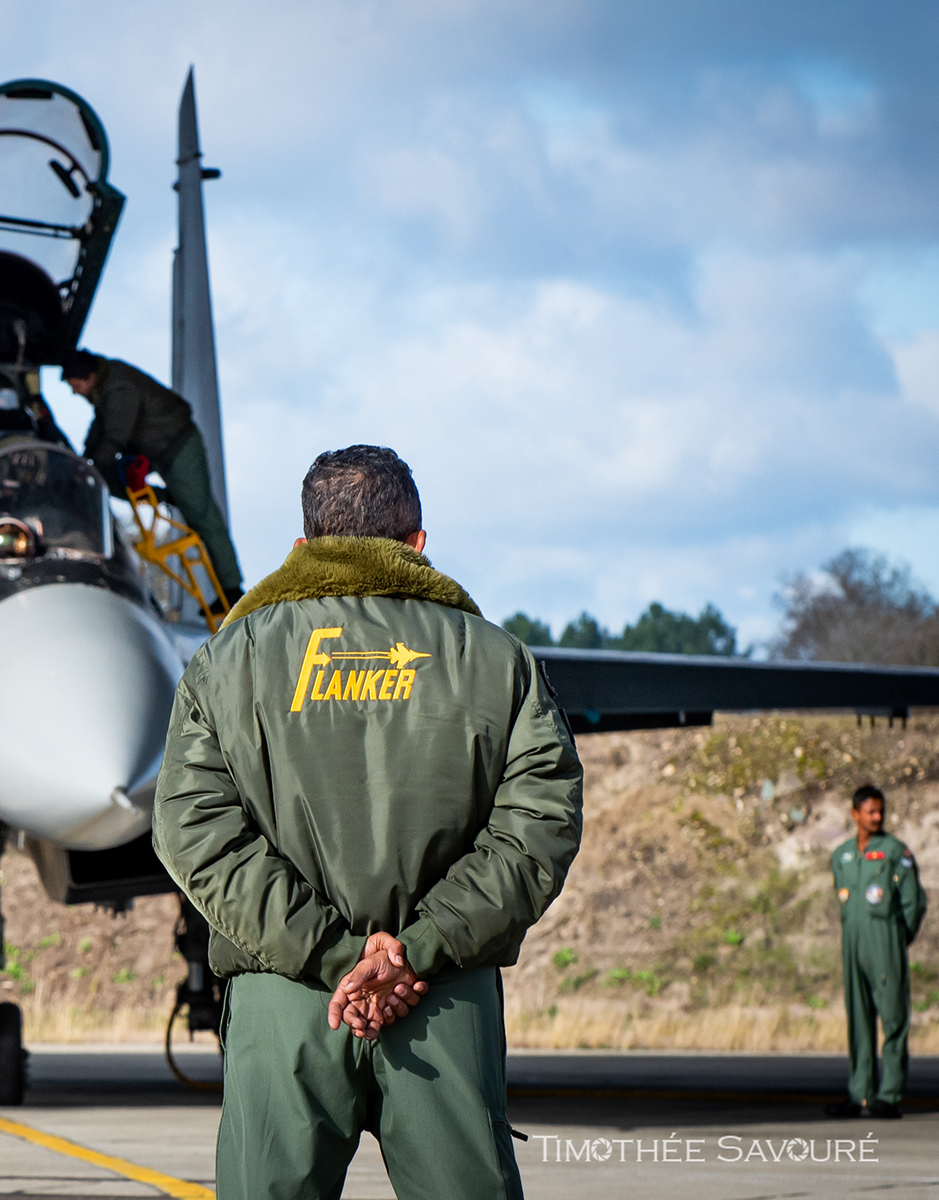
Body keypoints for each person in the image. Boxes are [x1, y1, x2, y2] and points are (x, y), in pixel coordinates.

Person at [151, 444, 584, 1200]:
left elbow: (192, 829)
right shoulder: (499, 661)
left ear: (302, 549)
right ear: (417, 545)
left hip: (286, 999)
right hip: (440, 998)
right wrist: (416, 950)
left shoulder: (225, 663)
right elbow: (539, 825)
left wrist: (328, 957)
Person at [60, 349, 245, 608]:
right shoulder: (103, 388)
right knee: (108, 478)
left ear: (88, 377)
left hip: (178, 446)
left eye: (75, 385)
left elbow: (115, 435)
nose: (74, 391)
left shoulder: (119, 386)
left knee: (201, 513)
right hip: (150, 451)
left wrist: (91, 467)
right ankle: (166, 497)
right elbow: (100, 428)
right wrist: (84, 463)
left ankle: (231, 589)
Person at [825, 784, 925, 1121]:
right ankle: (860, 1093)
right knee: (858, 1019)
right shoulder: (841, 856)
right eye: (870, 811)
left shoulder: (896, 852)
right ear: (855, 814)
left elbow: (914, 903)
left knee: (893, 1018)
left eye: (880, 811)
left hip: (885, 940)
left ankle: (889, 1094)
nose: (877, 817)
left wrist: (897, 939)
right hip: (852, 943)